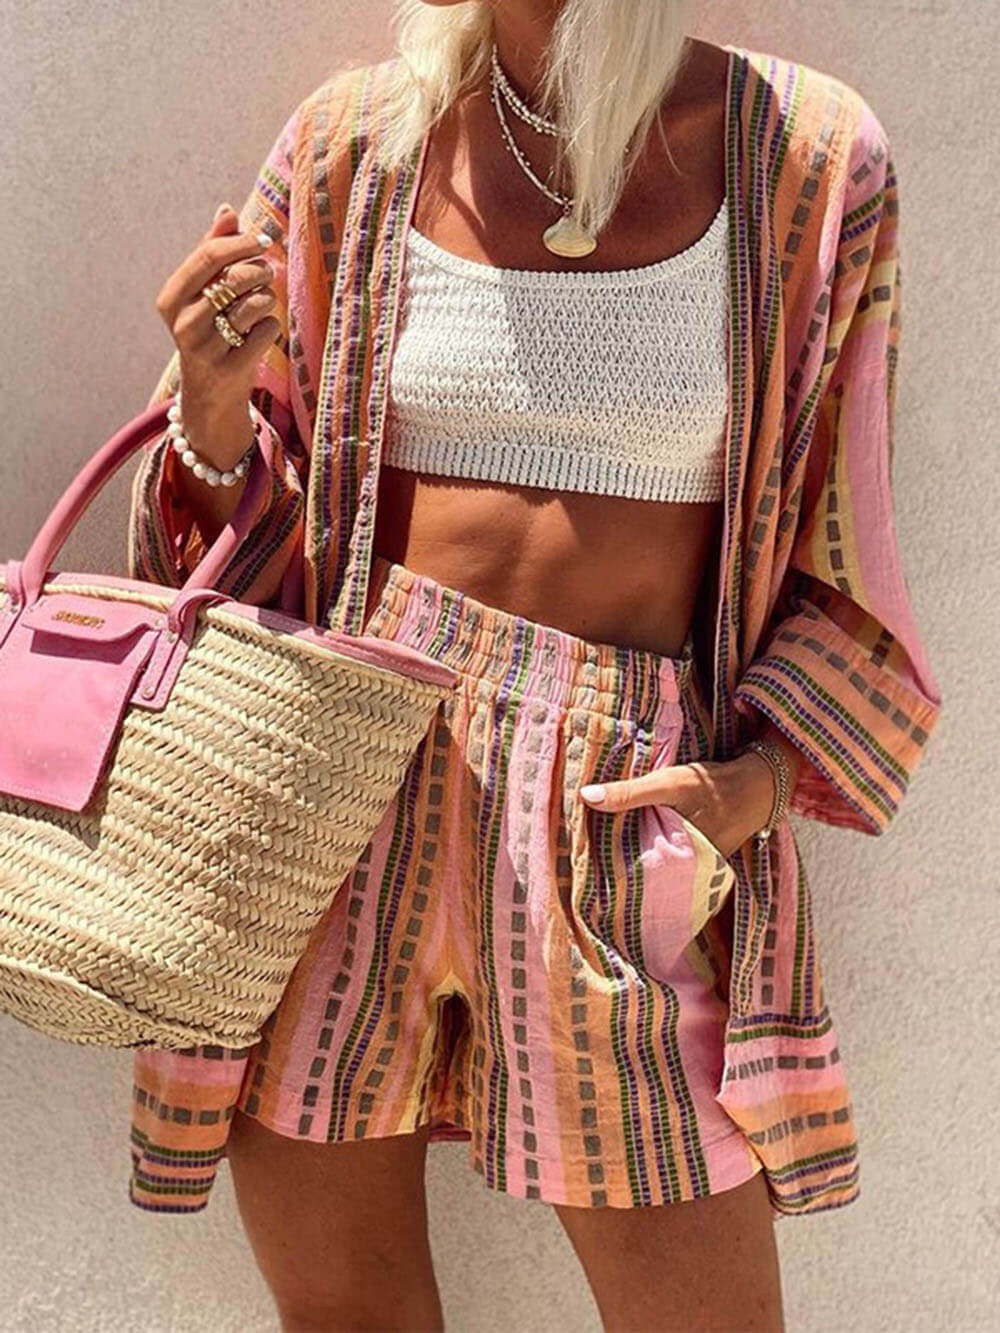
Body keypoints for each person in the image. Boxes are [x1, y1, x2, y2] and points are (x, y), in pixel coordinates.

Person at [125, 2, 942, 1328]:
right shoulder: (354, 144)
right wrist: (209, 410)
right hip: (342, 785)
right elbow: (237, 549)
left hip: (612, 797)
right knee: (349, 1320)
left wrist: (753, 785)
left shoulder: (803, 154)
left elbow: (846, 523)